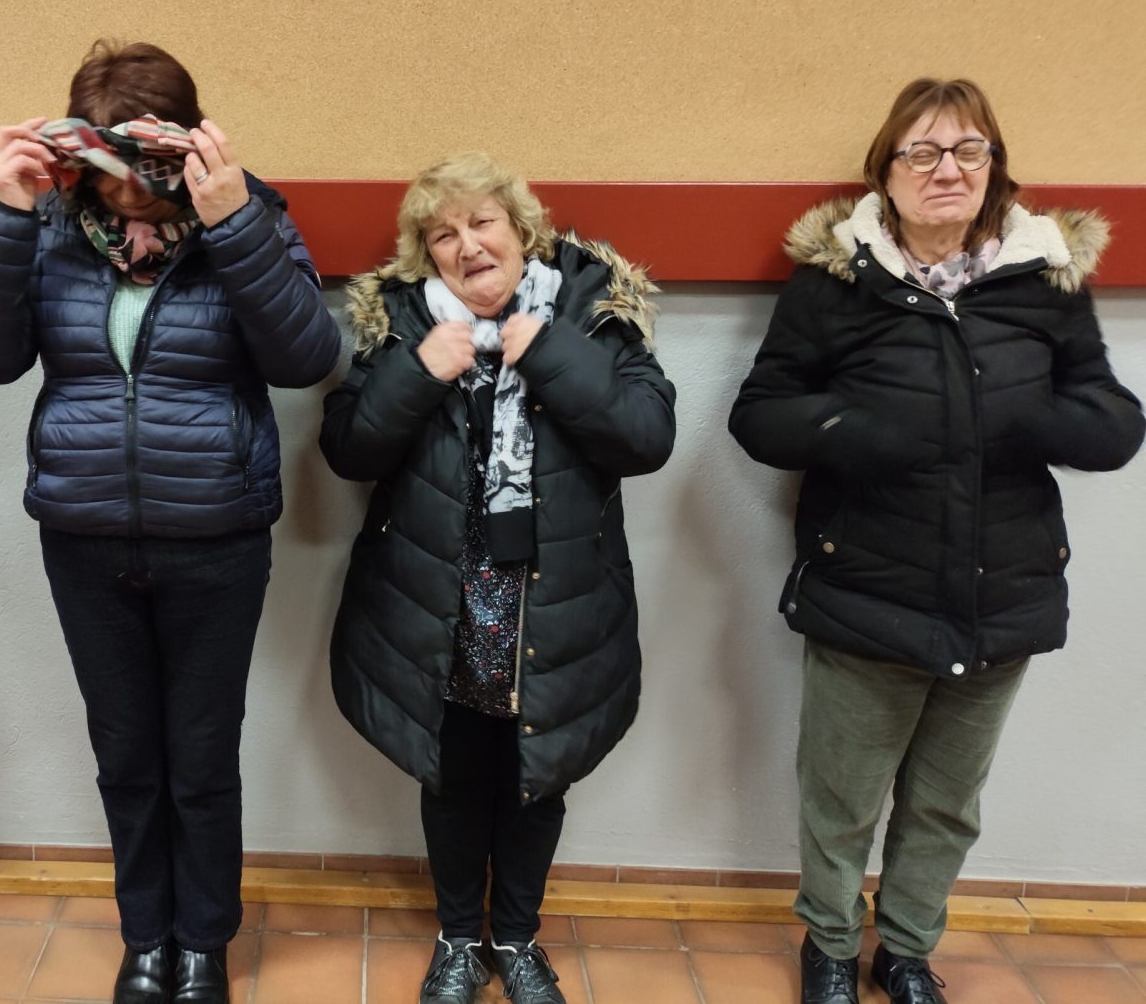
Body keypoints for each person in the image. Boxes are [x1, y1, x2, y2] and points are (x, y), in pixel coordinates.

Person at [0, 40, 340, 1004]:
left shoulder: (249, 217)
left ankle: (203, 943)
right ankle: (145, 939)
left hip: (217, 537)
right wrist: (4, 211)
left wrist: (233, 220)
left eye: (148, 162)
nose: (128, 189)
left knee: (201, 757)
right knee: (125, 756)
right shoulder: (50, 231)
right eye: (108, 164)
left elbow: (304, 359)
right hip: (83, 536)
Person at [729, 78, 1143, 1004]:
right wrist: (857, 432)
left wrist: (1039, 421)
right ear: (886, 172)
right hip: (867, 586)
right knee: (841, 798)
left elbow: (1114, 419)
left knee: (948, 802)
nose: (945, 169)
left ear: (994, 167)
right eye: (921, 152)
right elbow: (760, 414)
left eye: (967, 150)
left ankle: (908, 951)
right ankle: (831, 948)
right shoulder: (835, 283)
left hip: (1005, 590)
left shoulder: (1045, 283)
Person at [321, 152, 676, 1004]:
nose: (468, 245)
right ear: (427, 255)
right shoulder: (402, 323)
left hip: (552, 603)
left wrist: (550, 355)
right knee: (450, 775)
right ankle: (457, 940)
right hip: (436, 601)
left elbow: (647, 436)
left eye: (483, 222)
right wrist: (419, 370)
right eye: (443, 234)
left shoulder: (592, 311)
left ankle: (516, 940)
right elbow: (347, 448)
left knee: (536, 776)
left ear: (523, 232)